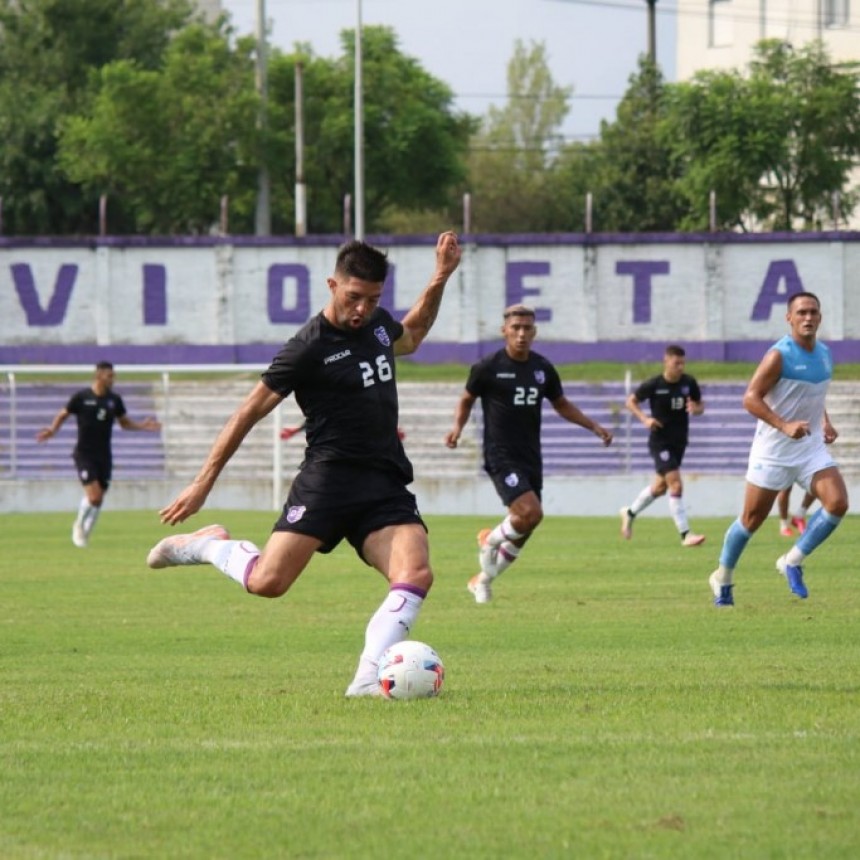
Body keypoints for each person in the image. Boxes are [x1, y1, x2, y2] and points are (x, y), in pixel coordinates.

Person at [146, 231, 462, 696]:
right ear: (332, 285)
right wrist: (202, 483)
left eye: (372, 300)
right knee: (269, 583)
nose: (361, 309)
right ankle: (209, 546)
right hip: (328, 480)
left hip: (384, 482)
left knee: (415, 574)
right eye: (354, 297)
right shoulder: (307, 348)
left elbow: (411, 337)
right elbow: (247, 412)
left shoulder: (376, 326)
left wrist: (440, 276)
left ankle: (366, 681)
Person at [443, 304, 613, 604]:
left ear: (534, 332)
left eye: (527, 328)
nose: (521, 334)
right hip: (500, 454)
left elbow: (561, 404)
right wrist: (457, 428)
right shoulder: (488, 367)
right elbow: (467, 398)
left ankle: (482, 580)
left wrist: (594, 427)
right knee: (532, 512)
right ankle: (490, 538)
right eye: (516, 328)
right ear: (504, 331)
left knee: (526, 527)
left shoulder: (542, 368)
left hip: (531, 456)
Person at [708, 291, 848, 607]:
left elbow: (811, 395)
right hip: (773, 450)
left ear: (820, 317)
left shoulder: (825, 354)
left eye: (813, 312)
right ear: (789, 318)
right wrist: (784, 425)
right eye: (801, 313)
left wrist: (825, 421)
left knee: (837, 503)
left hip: (809, 448)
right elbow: (750, 398)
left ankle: (792, 561)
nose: (808, 317)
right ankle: (723, 576)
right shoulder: (778, 356)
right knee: (751, 520)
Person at [35, 361, 162, 548]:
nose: (113, 379)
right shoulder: (81, 397)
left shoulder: (114, 400)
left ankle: (86, 531)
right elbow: (63, 414)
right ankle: (79, 526)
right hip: (84, 454)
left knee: (99, 498)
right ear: (99, 375)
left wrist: (142, 426)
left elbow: (124, 423)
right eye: (110, 375)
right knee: (94, 497)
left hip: (104, 455)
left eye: (113, 375)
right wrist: (53, 430)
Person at [619, 345, 706, 546]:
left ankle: (630, 513)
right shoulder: (654, 384)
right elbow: (631, 401)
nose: (680, 367)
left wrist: (696, 408)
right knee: (675, 484)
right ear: (666, 362)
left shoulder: (689, 383)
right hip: (660, 441)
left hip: (679, 441)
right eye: (677, 363)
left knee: (659, 488)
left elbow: (700, 405)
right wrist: (645, 419)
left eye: (683, 363)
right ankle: (686, 534)